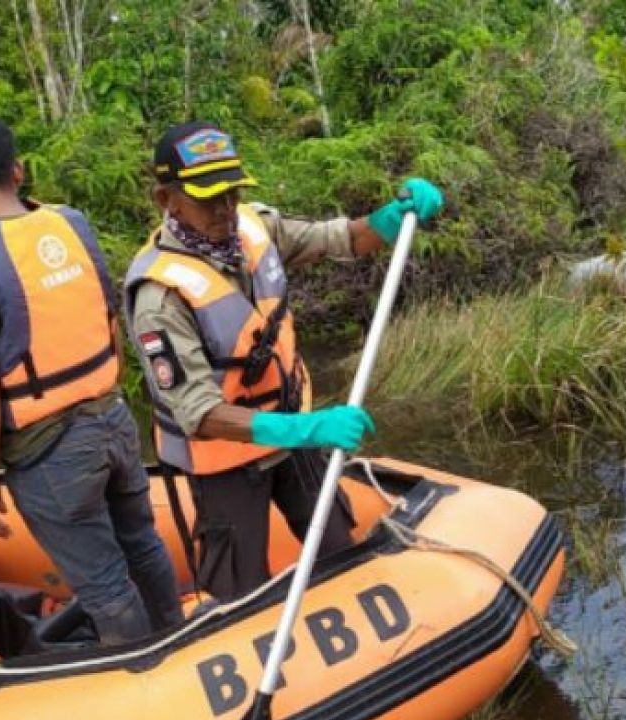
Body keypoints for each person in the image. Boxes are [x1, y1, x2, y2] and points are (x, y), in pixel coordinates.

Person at [125, 121, 443, 601]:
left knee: (340, 547)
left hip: (293, 431)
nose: (225, 208)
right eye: (208, 198)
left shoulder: (254, 226)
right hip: (226, 459)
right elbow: (200, 413)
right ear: (166, 199)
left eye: (231, 193)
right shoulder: (159, 297)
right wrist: (309, 430)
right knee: (240, 591)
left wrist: (390, 219)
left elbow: (341, 239)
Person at [0, 113, 182, 645]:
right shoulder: (70, 222)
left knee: (105, 586)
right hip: (113, 418)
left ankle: (144, 677)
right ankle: (176, 636)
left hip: (50, 452)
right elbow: (107, 317)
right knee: (143, 544)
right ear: (17, 170)